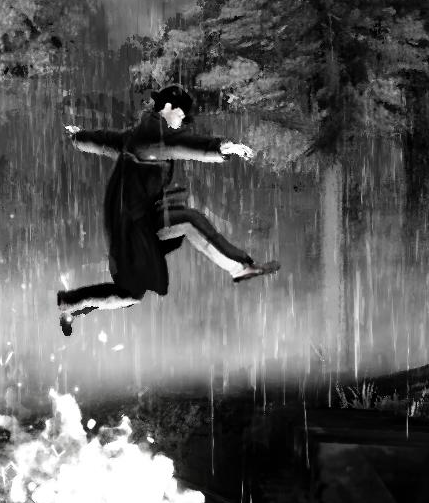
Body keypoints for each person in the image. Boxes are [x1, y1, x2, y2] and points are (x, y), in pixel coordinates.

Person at [57, 84, 279, 336]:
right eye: (180, 114)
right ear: (168, 107)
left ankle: (72, 305)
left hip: (135, 220)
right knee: (182, 228)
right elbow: (185, 145)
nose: (181, 120)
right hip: (132, 226)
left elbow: (105, 141)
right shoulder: (154, 137)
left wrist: (79, 137)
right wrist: (222, 147)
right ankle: (71, 303)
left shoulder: (138, 135)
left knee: (132, 291)